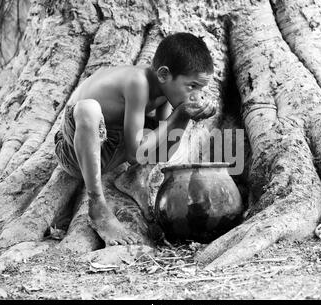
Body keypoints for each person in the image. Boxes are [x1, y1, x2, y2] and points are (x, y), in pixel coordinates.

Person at [54, 32, 215, 246]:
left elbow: (163, 153)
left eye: (201, 89)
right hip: (74, 148)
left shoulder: (163, 93)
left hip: (111, 149)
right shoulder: (137, 82)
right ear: (164, 74)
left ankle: (132, 178)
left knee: (159, 131)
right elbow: (135, 151)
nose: (197, 95)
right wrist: (177, 115)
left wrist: (184, 116)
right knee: (89, 109)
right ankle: (97, 206)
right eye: (192, 86)